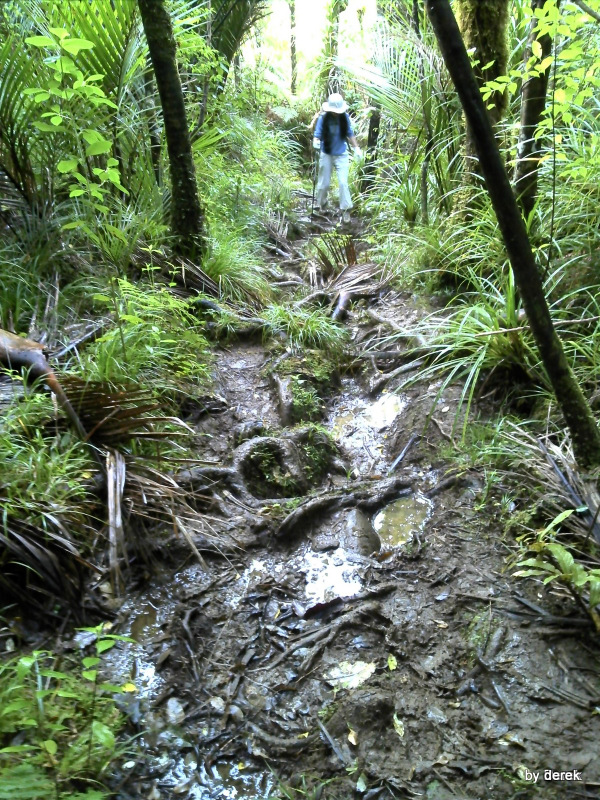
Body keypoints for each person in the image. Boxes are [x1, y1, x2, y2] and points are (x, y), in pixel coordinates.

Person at [312, 93, 362, 223]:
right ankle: (321, 205)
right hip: (326, 153)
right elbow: (317, 134)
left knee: (343, 183)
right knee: (324, 183)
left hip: (341, 154)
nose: (335, 113)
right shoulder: (323, 118)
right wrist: (316, 141)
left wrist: (356, 148)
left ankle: (346, 211)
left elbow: (350, 134)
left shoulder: (344, 118)